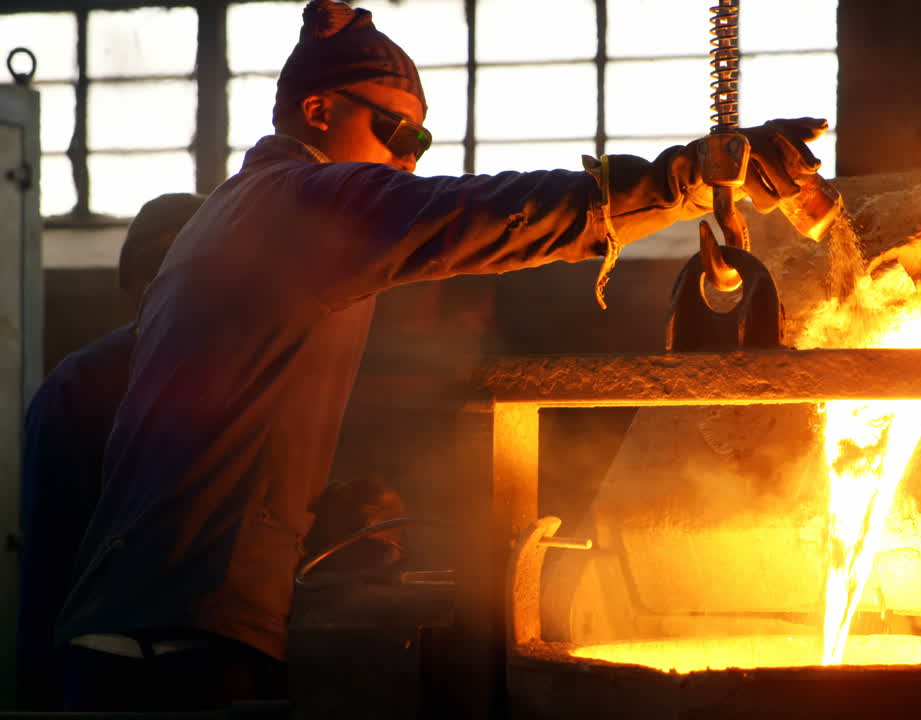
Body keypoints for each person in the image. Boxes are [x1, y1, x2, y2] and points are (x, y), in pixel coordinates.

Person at [54, 0, 833, 711]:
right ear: (317, 111)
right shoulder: (300, 201)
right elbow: (476, 215)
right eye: (397, 131)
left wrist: (317, 515)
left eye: (421, 139)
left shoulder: (232, 218)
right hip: (178, 650)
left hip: (139, 630)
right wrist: (682, 182)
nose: (411, 159)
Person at [16, 192, 206, 711]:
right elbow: (50, 549)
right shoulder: (79, 386)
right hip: (114, 660)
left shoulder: (251, 381)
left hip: (205, 655)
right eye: (158, 270)